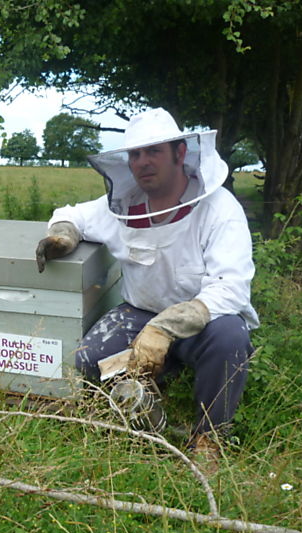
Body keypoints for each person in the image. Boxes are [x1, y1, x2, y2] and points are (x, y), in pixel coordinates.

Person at [35, 107, 259, 459]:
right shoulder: (123, 205)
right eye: (135, 154)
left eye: (153, 151)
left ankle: (209, 439)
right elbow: (70, 214)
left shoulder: (219, 208)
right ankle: (144, 400)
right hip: (138, 313)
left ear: (179, 153)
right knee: (86, 362)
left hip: (204, 321)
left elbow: (231, 288)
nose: (142, 162)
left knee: (231, 338)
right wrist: (63, 235)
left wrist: (166, 328)